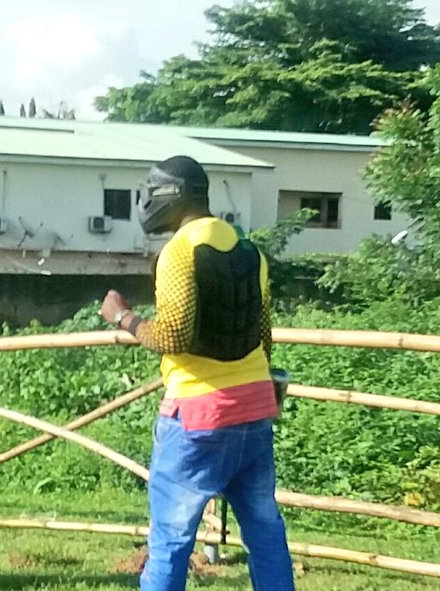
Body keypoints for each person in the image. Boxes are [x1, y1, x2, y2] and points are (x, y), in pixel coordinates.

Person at [99, 156, 294, 591]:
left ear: (173, 194)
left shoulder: (180, 250)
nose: (145, 200)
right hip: (255, 409)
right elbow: (263, 336)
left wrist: (122, 316)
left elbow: (174, 335)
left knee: (170, 538)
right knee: (265, 529)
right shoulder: (249, 250)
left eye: (152, 189)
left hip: (198, 416)